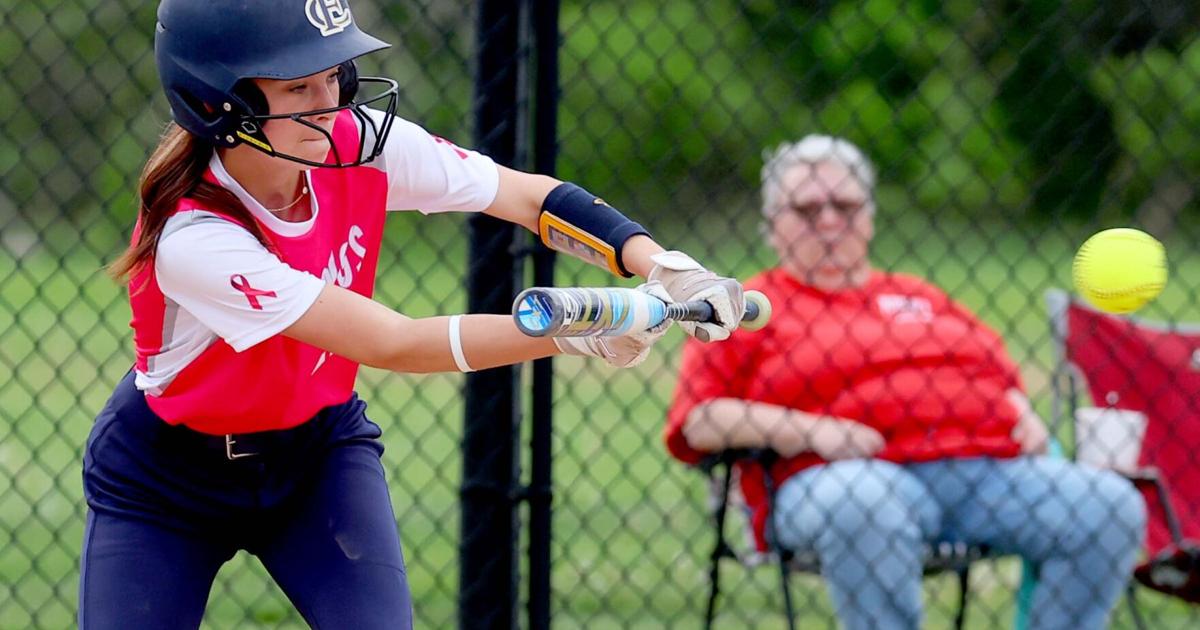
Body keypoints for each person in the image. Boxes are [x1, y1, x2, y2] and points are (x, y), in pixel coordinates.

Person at [79, 1, 747, 628]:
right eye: (297, 88)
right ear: (219, 103)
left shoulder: (355, 141)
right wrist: (576, 337)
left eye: (333, 76)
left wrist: (658, 262)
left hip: (315, 452)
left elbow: (524, 197)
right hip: (167, 478)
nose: (332, 102)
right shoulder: (195, 239)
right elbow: (395, 343)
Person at [664, 135, 1146, 629]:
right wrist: (815, 432)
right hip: (842, 477)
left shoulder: (919, 294)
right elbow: (699, 419)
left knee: (1108, 507)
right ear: (773, 225)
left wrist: (1019, 408)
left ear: (869, 217)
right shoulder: (746, 306)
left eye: (846, 205)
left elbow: (997, 373)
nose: (830, 220)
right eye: (808, 209)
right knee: (865, 504)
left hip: (983, 473)